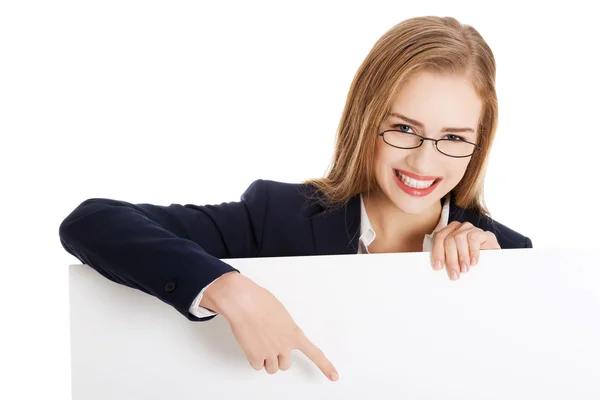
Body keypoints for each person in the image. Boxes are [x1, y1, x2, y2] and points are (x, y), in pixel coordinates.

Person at [58, 16, 532, 382]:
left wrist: (499, 287)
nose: (424, 163)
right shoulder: (278, 217)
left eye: (453, 137)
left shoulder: (513, 258)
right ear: (365, 121)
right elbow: (94, 222)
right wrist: (229, 288)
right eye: (404, 128)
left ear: (479, 142)